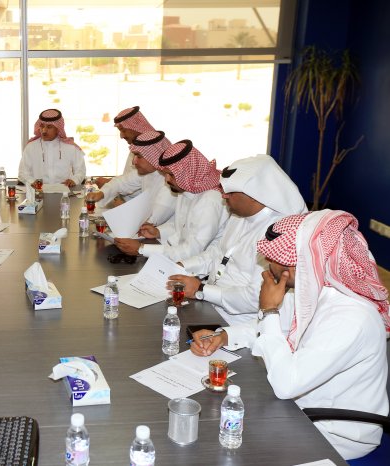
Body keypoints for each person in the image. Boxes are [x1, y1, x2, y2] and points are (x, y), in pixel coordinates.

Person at [190, 210, 390, 460]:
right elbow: (277, 327)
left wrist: (268, 309)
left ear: (298, 265)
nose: (267, 268)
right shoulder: (314, 291)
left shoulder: (350, 318)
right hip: (300, 404)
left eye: (272, 259)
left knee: (222, 436)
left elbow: (286, 384)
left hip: (334, 431)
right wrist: (224, 336)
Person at [169, 154, 307, 325]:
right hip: (208, 302)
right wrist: (182, 266)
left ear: (255, 195)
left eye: (231, 192)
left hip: (238, 322)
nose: (224, 196)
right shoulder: (239, 214)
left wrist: (201, 289)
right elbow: (216, 253)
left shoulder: (280, 233)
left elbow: (255, 296)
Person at [114, 139, 229, 261]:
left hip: (200, 267)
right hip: (180, 258)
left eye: (172, 175)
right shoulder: (186, 188)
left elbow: (192, 249)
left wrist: (141, 249)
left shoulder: (209, 200)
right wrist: (158, 232)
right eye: (165, 174)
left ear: (186, 174)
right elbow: (182, 227)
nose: (167, 180)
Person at [94, 106, 155, 195]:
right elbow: (130, 177)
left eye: (123, 130)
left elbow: (136, 180)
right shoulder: (137, 146)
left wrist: (109, 184)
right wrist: (111, 182)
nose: (121, 136)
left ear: (135, 127)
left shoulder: (152, 147)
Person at [18, 109, 86, 187]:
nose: (44, 130)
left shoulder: (71, 147)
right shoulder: (31, 147)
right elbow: (22, 173)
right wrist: (32, 181)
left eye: (49, 127)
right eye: (42, 126)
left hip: (65, 192)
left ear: (58, 129)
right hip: (38, 191)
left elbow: (80, 171)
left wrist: (74, 180)